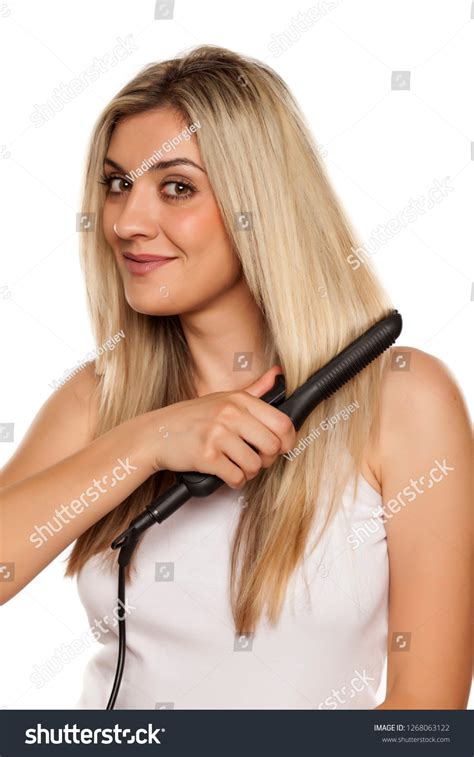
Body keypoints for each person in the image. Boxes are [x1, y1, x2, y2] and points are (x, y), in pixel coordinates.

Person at [1, 45, 471, 710]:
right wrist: (147, 440)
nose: (127, 222)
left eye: (177, 187)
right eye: (117, 184)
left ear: (262, 205)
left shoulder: (404, 400)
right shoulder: (96, 401)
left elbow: (426, 717)